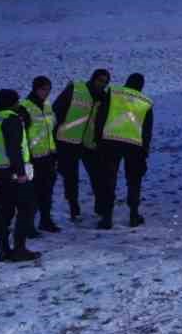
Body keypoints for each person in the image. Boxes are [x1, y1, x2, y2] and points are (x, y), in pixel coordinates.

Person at [0, 88, 40, 263]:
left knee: (3, 210)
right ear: (14, 102)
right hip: (13, 171)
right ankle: (20, 249)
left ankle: (3, 251)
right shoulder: (12, 119)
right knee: (26, 208)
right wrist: (21, 173)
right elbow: (14, 148)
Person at [97, 72, 154, 229]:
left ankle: (107, 218)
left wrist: (99, 139)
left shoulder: (114, 93)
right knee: (134, 182)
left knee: (109, 181)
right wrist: (145, 150)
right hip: (135, 145)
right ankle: (134, 215)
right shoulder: (146, 102)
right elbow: (147, 130)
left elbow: (101, 116)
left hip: (111, 142)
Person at [52, 69, 110, 222]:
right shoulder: (76, 89)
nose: (102, 84)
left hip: (89, 143)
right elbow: (57, 109)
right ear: (93, 79)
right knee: (71, 178)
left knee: (98, 176)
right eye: (100, 80)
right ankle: (74, 208)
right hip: (67, 141)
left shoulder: (104, 98)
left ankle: (100, 207)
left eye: (105, 82)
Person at [18, 76, 61, 234]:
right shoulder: (24, 107)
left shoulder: (48, 105)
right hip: (33, 158)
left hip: (48, 156)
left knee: (47, 191)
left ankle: (45, 220)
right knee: (32, 194)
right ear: (35, 89)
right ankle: (28, 225)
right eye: (43, 89)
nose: (46, 93)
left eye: (49, 89)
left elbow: (52, 128)